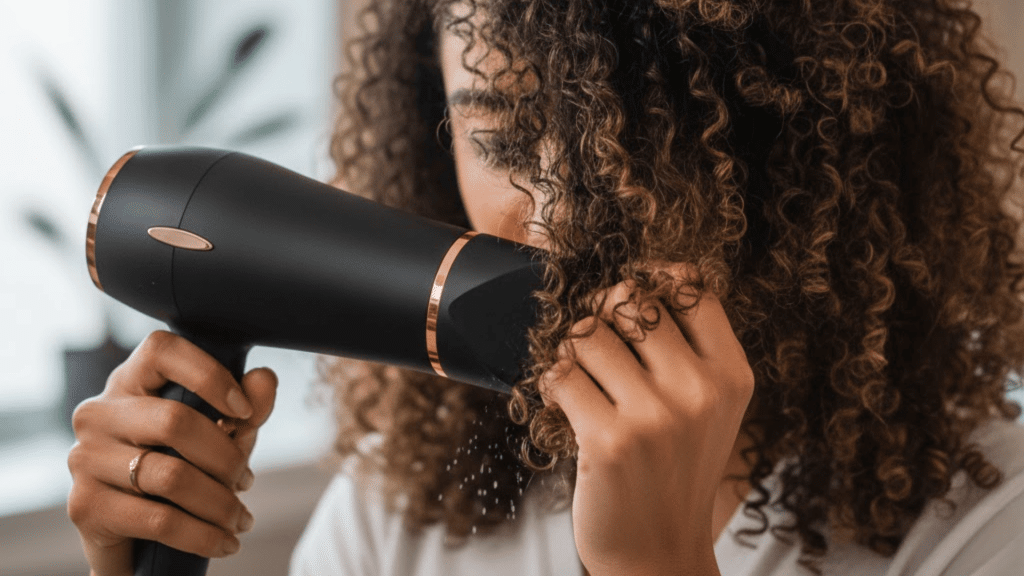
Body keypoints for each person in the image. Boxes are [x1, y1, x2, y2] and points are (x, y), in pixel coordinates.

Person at [67, 0, 1024, 575]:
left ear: (796, 149)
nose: (562, 216)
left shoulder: (986, 526)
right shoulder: (404, 511)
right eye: (504, 139)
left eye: (635, 133)